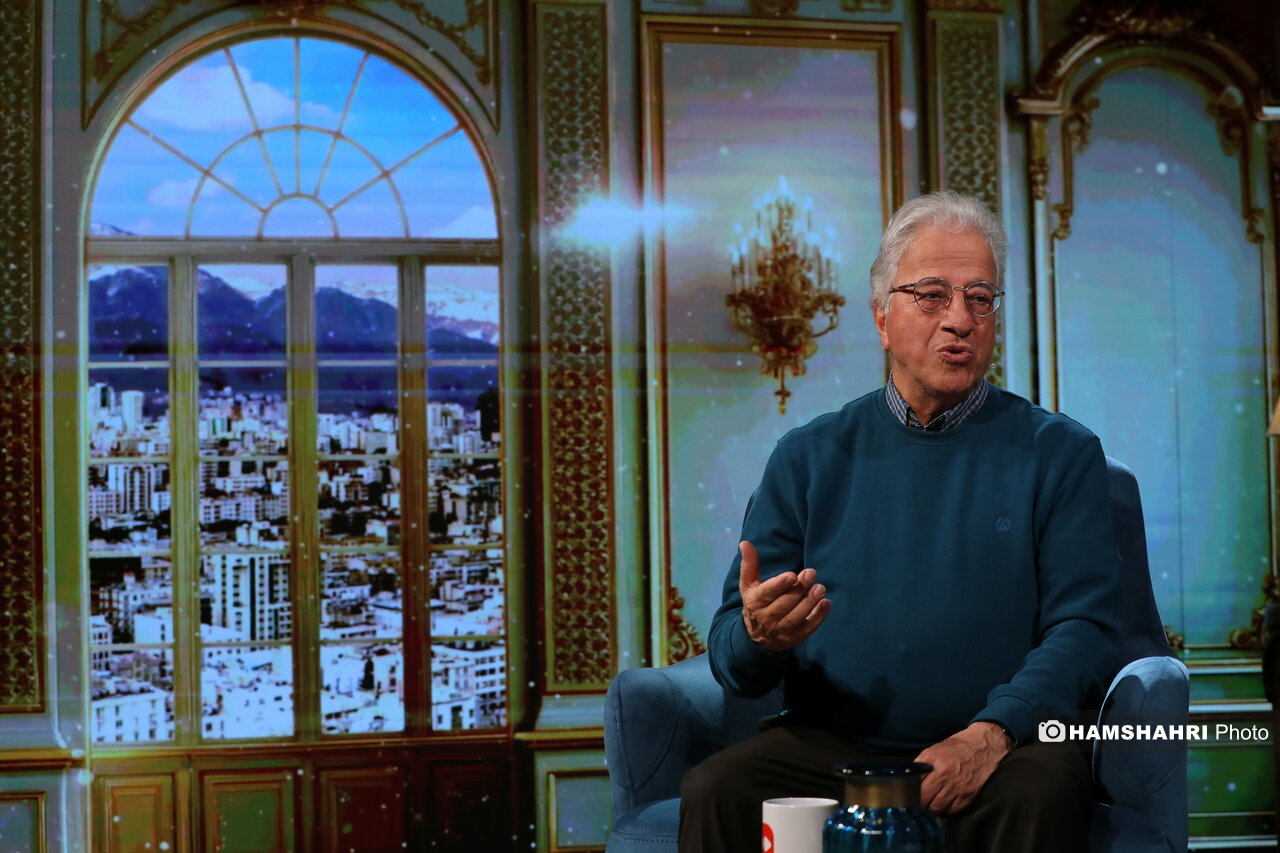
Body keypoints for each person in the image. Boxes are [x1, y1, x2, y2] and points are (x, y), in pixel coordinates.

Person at [679, 191, 1122, 853]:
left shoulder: (1060, 453)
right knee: (718, 787)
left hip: (1001, 745)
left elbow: (1085, 628)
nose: (960, 320)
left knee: (1042, 792)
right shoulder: (806, 456)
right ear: (882, 318)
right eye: (932, 295)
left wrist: (993, 732)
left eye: (980, 298)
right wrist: (758, 636)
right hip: (836, 749)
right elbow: (731, 656)